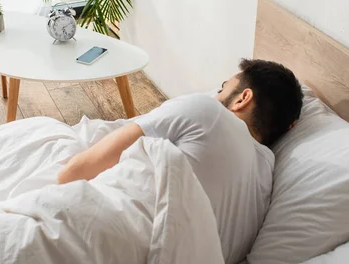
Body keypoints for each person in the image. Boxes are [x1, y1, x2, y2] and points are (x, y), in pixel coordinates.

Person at [57, 59, 303, 264]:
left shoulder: (207, 111)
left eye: (223, 89)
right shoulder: (264, 183)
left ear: (243, 98)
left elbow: (73, 173)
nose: (217, 95)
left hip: (89, 239)